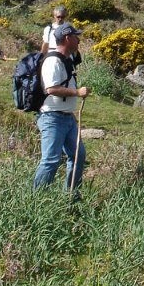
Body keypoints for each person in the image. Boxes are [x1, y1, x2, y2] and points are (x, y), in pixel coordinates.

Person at [34, 22, 90, 193]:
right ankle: (37, 200)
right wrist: (77, 92)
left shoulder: (67, 60)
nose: (78, 40)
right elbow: (51, 89)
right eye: (75, 36)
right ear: (67, 38)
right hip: (52, 118)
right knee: (51, 160)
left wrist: (70, 113)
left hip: (67, 117)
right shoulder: (53, 61)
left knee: (78, 156)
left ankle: (72, 197)